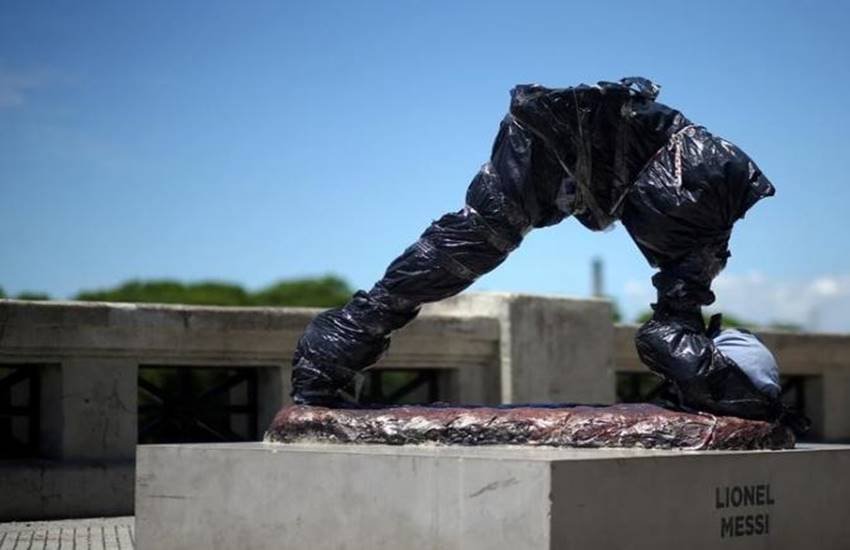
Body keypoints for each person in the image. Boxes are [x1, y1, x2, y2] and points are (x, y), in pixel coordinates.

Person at [290, 76, 790, 424]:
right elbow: (664, 335)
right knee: (474, 240)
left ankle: (336, 347)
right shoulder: (697, 204)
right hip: (564, 136)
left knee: (474, 239)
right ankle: (333, 350)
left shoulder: (698, 220)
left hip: (606, 148)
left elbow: (666, 334)